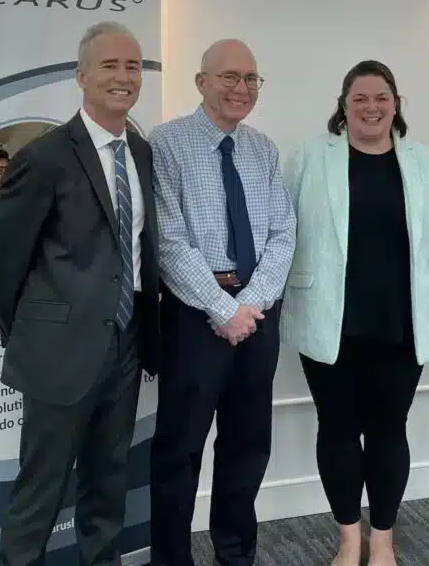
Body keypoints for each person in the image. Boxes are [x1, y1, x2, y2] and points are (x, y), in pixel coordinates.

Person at [0, 21, 161, 566]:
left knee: (107, 485)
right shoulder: (44, 157)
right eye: (110, 65)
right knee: (40, 491)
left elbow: (140, 250)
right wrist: (37, 336)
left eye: (133, 66)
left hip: (125, 347)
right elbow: (0, 265)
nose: (123, 77)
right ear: (81, 76)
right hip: (58, 353)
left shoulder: (142, 151)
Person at [281, 60, 429, 566]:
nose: (371, 107)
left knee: (388, 428)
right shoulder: (312, 156)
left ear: (396, 103)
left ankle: (382, 538)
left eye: (381, 98)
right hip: (330, 316)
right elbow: (283, 231)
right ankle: (347, 537)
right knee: (336, 426)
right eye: (360, 99)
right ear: (344, 105)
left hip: (402, 319)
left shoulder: (423, 161)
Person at [147, 39, 296, 566]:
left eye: (251, 79)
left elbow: (283, 233)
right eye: (230, 77)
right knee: (179, 450)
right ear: (201, 82)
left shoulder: (263, 149)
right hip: (195, 316)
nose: (242, 88)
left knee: (247, 445)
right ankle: (170, 558)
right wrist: (221, 307)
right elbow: (168, 240)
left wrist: (249, 306)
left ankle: (236, 552)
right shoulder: (164, 144)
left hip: (255, 318)